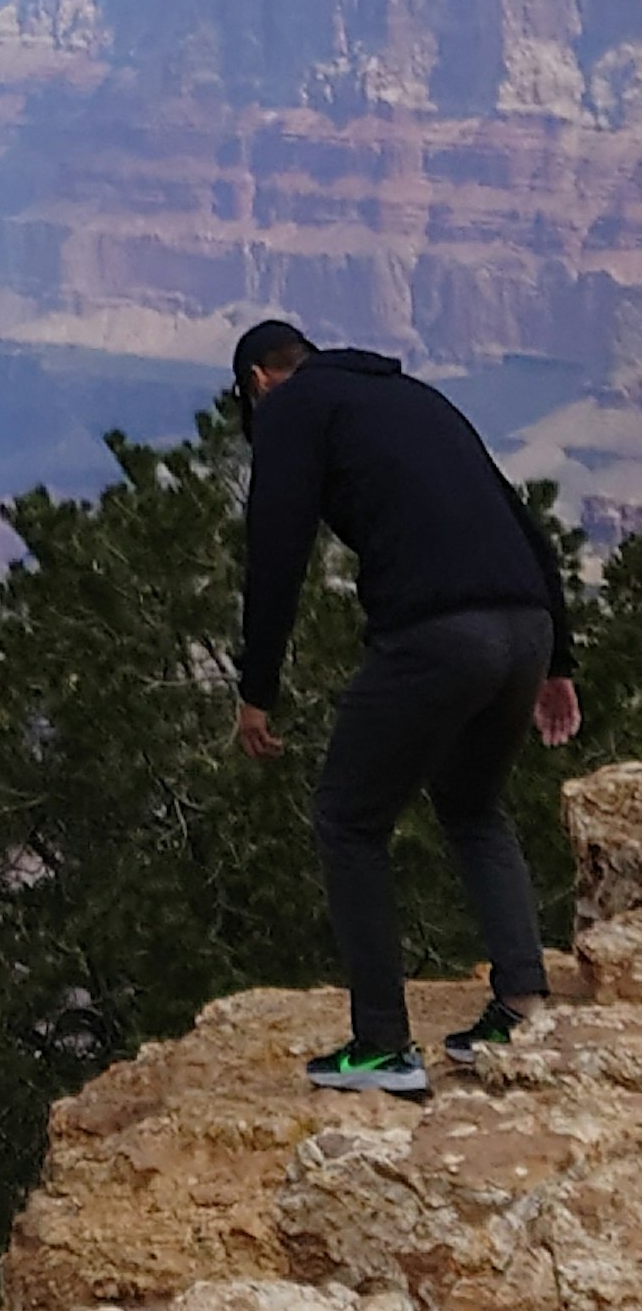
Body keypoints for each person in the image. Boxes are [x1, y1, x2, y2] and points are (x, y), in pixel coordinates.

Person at [231, 317, 581, 1095]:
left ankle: (382, 1046)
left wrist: (257, 689)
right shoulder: (417, 396)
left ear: (259, 380)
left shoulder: (292, 407)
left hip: (438, 634)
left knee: (348, 817)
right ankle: (522, 1005)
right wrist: (557, 657)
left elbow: (276, 547)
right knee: (471, 803)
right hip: (523, 623)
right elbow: (521, 520)